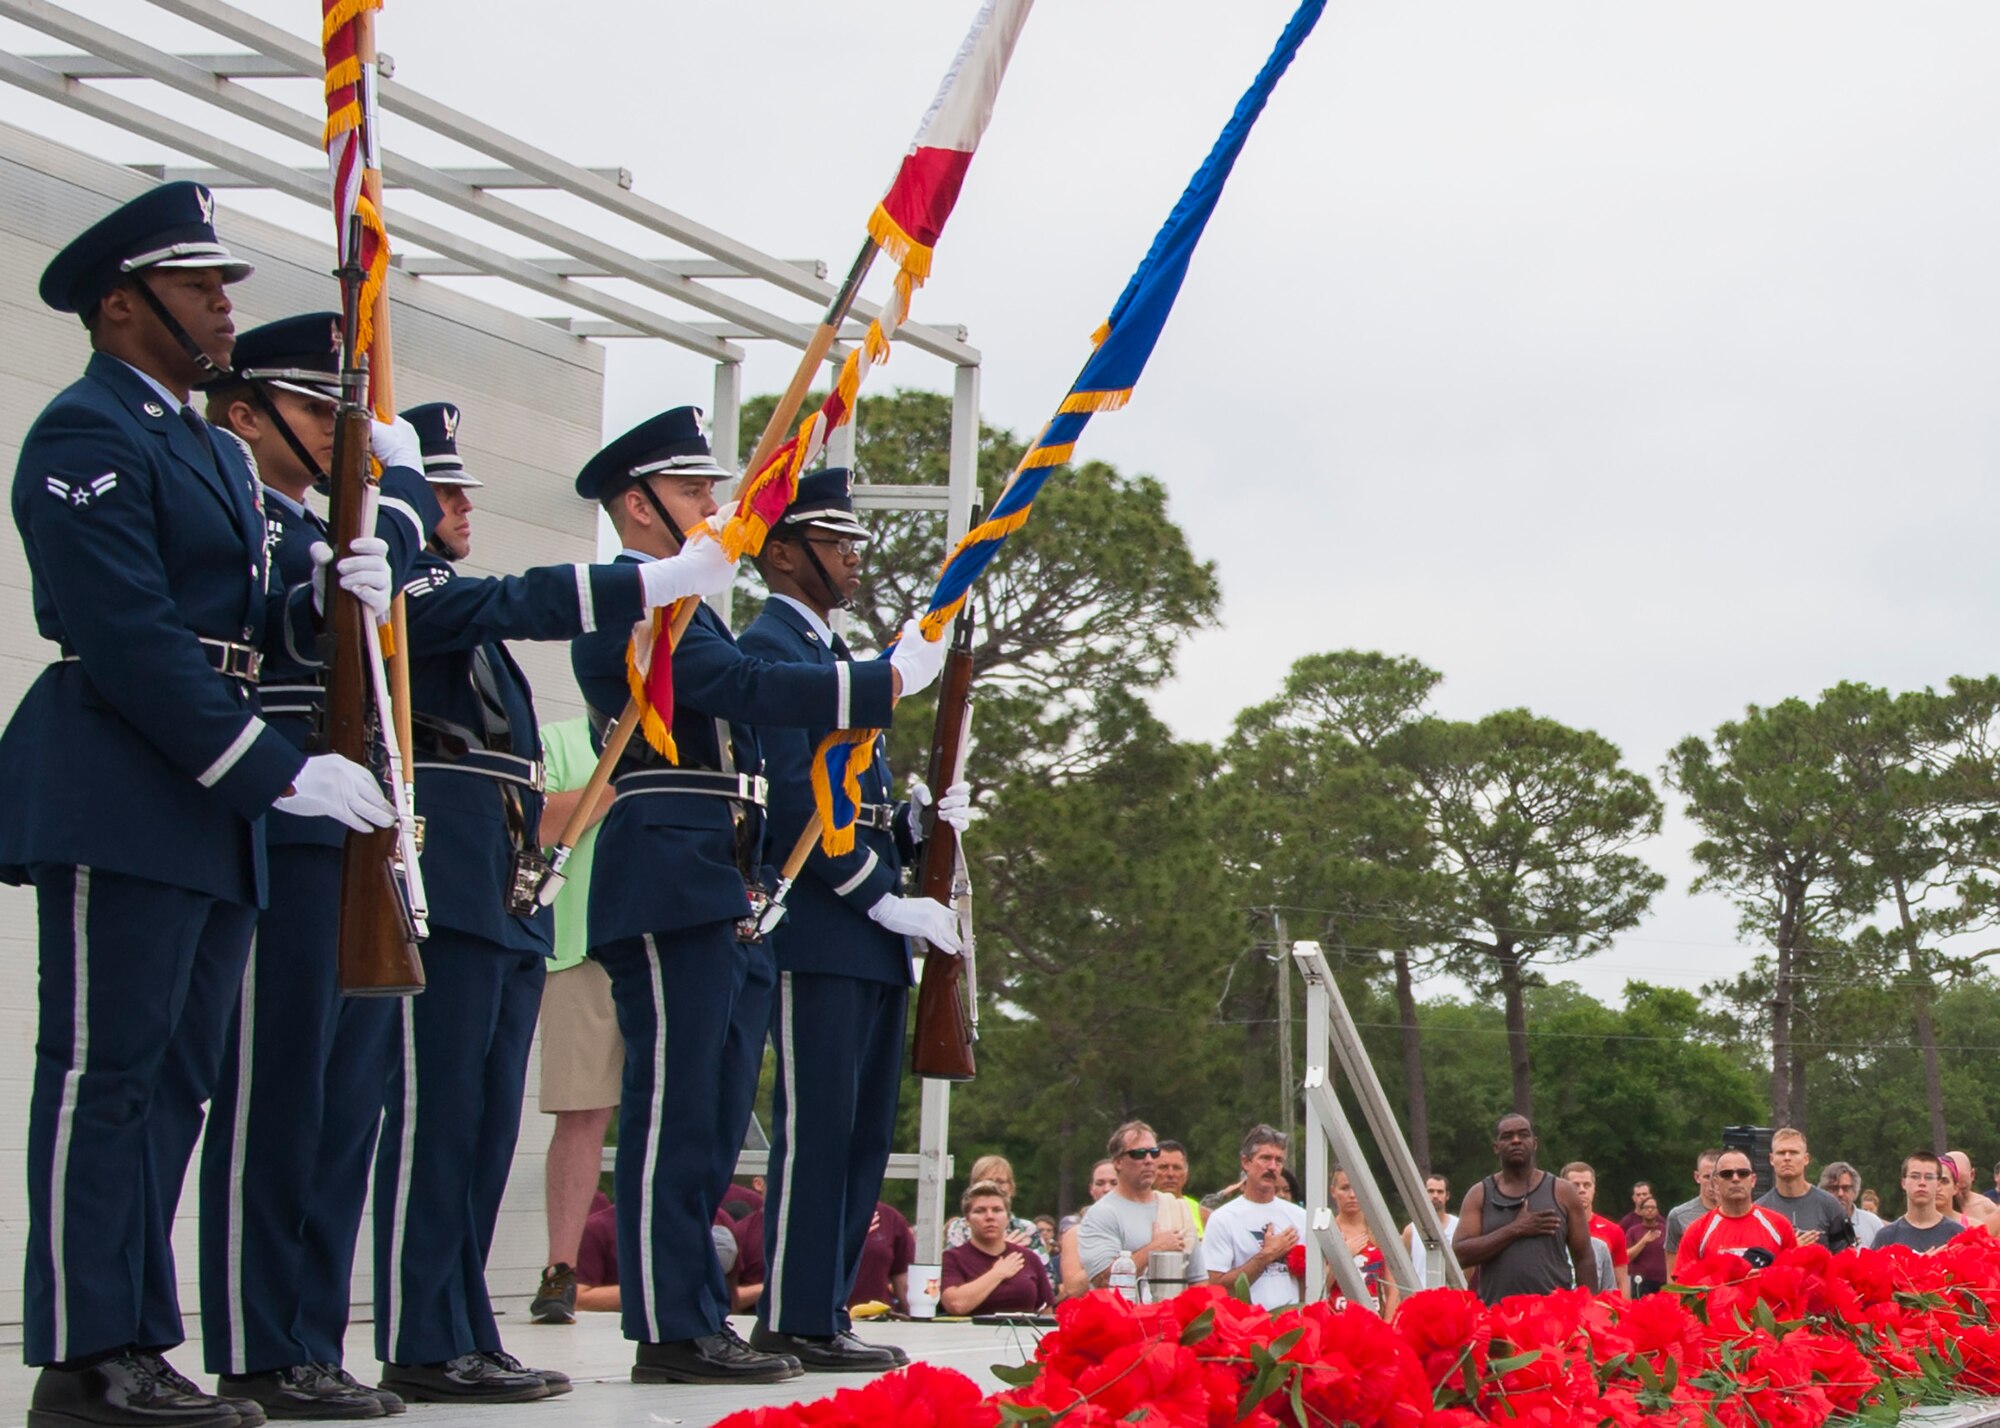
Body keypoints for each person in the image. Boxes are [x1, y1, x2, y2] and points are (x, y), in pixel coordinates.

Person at [2, 182, 400, 1428]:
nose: (225, 303)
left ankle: (137, 1341)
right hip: (123, 773)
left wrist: (337, 589)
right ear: (122, 307)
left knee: (174, 1081)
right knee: (100, 1072)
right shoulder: (84, 434)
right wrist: (269, 767)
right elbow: (125, 634)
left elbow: (246, 619)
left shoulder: (201, 445)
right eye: (197, 287)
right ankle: (81, 1356)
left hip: (201, 793)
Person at [570, 411, 947, 1385]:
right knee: (676, 1119)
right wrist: (882, 682)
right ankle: (675, 1324)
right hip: (670, 866)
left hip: (716, 880)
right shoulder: (638, 609)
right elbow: (741, 690)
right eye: (695, 494)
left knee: (706, 1118)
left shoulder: (688, 612)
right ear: (636, 505)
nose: (715, 512)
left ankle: (700, 1320)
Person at [370, 401, 733, 1403]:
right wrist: (649, 580)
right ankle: (417, 1330)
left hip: (498, 889)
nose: (459, 507)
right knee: (435, 1117)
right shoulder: (406, 595)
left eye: (457, 491)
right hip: (443, 877)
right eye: (436, 492)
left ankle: (459, 1324)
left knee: (485, 1125)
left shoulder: (461, 618)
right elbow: (513, 603)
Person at [192, 312, 434, 1420]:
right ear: (246, 415)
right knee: (274, 1103)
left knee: (346, 1113)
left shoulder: (335, 534)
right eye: (316, 411)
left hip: (359, 835)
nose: (343, 436)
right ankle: (254, 1345)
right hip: (285, 824)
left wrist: (400, 500)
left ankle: (310, 1337)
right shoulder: (255, 528)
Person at [740, 469, 967, 1372]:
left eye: (853, 543)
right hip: (823, 921)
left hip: (867, 931)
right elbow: (797, 799)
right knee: (819, 1126)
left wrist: (916, 828)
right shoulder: (774, 648)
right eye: (835, 544)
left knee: (864, 1132)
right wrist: (875, 888)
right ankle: (793, 1311)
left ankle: (822, 1305)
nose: (853, 559)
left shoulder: (831, 653)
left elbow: (850, 794)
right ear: (784, 553)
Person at [526, 714, 621, 1327]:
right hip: (583, 945)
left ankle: (658, 1263)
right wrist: (622, 784)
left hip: (669, 947)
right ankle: (562, 1269)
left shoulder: (696, 741)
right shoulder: (560, 739)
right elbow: (536, 824)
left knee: (676, 1116)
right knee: (581, 1112)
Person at [1454, 1114, 1598, 1304]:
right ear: (1496, 1147)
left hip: (1553, 1316)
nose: (1516, 1140)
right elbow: (1460, 1255)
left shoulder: (1563, 1191)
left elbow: (1584, 1257)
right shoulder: (1479, 1194)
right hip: (1498, 1317)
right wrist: (1516, 1229)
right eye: (1507, 1136)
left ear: (1534, 1143)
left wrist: (1589, 1309)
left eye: (1523, 1135)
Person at [1076, 1122, 1205, 1290]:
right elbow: (1104, 1282)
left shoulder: (1175, 1207)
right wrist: (1156, 1248)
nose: (1149, 1160)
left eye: (1154, 1153)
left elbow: (1198, 1280)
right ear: (1118, 1162)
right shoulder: (1102, 1213)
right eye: (1139, 1154)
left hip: (1171, 1313)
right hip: (1125, 1314)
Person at [1202, 1126, 1307, 1310]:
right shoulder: (1223, 1219)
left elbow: (1309, 1282)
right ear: (1246, 1162)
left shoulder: (1299, 1216)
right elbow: (1216, 1285)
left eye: (1279, 1160)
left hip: (1290, 1325)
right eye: (1265, 1158)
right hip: (1244, 1327)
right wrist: (1267, 1255)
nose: (1272, 1167)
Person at [940, 1183, 1056, 1315]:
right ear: (967, 1220)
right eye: (980, 1211)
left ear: (1007, 1218)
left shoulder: (1029, 1258)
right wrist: (998, 1273)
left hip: (1021, 1334)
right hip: (969, 1334)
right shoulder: (952, 1258)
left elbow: (1046, 1311)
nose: (990, 1217)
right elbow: (956, 1305)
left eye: (997, 1210)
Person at [1674, 1149, 1796, 1272]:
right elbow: (1683, 1285)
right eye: (1727, 1174)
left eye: (1743, 1173)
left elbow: (1795, 1277)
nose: (1735, 1179)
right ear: (1715, 1183)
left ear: (1753, 1180)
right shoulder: (1697, 1232)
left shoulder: (1780, 1226)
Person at [1755, 1128, 1855, 1252]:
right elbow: (1756, 1264)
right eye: (1781, 1153)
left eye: (1793, 1152)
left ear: (1806, 1159)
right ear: (1771, 1159)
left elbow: (1845, 1258)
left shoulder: (1830, 1205)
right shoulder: (1760, 1211)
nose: (1787, 1158)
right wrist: (1791, 1250)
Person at [1331, 1169, 1401, 1314]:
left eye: (1357, 1188)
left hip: (1373, 1317)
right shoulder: (1327, 1231)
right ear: (1333, 1191)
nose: (1352, 1195)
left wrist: (1387, 1325)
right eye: (1345, 1188)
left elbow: (1393, 1288)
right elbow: (1319, 1285)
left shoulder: (1378, 1232)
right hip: (1336, 1318)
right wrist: (1343, 1256)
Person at [1559, 1162, 1630, 1295]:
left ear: (1594, 1189)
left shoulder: (1613, 1231)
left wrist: (1624, 1313)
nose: (1582, 1190)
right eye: (1575, 1185)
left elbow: (1621, 1281)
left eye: (1587, 1185)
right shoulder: (1554, 1229)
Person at [1871, 1152, 1962, 1253]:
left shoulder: (1957, 1234)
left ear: (1938, 1184)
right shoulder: (1886, 1237)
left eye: (1929, 1177)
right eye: (1915, 1176)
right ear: (1903, 1183)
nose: (1922, 1183)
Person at [943, 1155, 1039, 1249]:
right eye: (987, 1181)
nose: (994, 1186)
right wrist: (1003, 1249)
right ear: (974, 1186)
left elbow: (1040, 1264)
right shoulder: (959, 1228)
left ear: (1011, 1187)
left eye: (1000, 1181)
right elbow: (954, 1263)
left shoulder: (1027, 1229)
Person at [1057, 1160, 1119, 1299]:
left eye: (1114, 1183)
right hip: (1092, 1311)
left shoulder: (1144, 1227)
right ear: (1091, 1189)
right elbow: (1072, 1289)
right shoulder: (1075, 1234)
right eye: (1100, 1183)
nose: (1107, 1189)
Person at [849, 1205, 917, 1316]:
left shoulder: (890, 1218)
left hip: (879, 1322)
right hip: (826, 1323)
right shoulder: (817, 1213)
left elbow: (903, 1279)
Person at [1402, 1173, 1462, 1289]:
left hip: (1451, 1298)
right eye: (1430, 1191)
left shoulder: (1459, 1227)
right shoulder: (1411, 1231)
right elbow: (1404, 1268)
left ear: (1447, 1195)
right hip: (1419, 1297)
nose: (1435, 1196)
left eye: (1440, 1192)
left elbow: (1469, 1267)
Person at [1663, 1149, 1721, 1259]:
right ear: (1697, 1177)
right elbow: (1672, 1269)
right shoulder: (1679, 1216)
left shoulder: (1738, 1214)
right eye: (1707, 1177)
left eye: (1717, 1177)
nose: (1712, 1183)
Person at [1819, 1161, 1884, 1249]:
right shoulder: (1815, 1224)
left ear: (1855, 1191)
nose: (1840, 1194)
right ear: (1824, 1191)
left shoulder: (1873, 1223)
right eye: (1834, 1188)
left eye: (1846, 1188)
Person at [1619, 1191, 1669, 1296]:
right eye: (1646, 1207)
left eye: (1653, 1207)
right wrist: (1643, 1241)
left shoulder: (1665, 1229)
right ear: (1641, 1211)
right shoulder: (1633, 1231)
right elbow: (1626, 1257)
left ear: (1657, 1211)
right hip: (1640, 1282)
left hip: (1663, 1282)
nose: (1650, 1210)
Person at [1156, 1141, 1207, 1234]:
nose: (1170, 1174)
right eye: (1163, 1167)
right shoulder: (1138, 1211)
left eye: (1177, 1168)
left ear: (1186, 1174)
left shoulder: (1203, 1215)